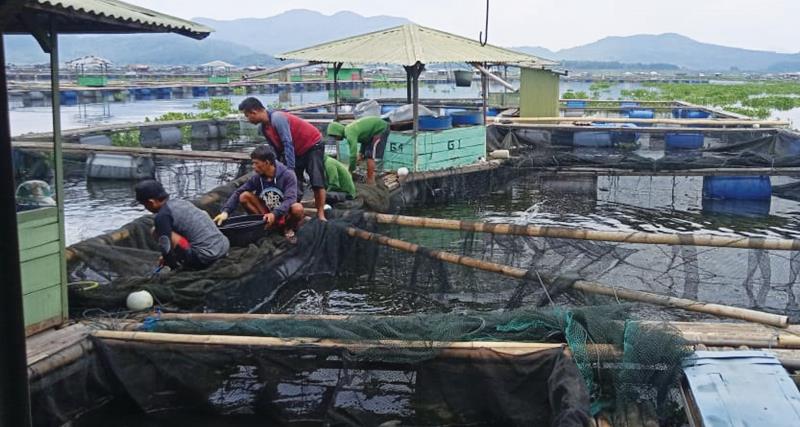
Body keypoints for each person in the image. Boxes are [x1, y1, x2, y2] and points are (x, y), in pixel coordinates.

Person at [238, 97, 327, 222]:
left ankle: (321, 214)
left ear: (254, 112)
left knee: (317, 181)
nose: (248, 119)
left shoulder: (277, 118)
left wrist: (289, 169)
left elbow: (287, 143)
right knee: (294, 183)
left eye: (247, 116)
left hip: (312, 145)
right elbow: (276, 150)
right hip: (296, 149)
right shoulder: (264, 128)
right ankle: (292, 215)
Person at [213, 145, 305, 242]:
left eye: (256, 163)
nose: (253, 167)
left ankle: (287, 229)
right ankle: (265, 225)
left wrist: (274, 214)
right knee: (244, 196)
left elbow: (290, 200)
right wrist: (225, 212)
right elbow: (238, 191)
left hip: (283, 214)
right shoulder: (257, 178)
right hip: (266, 213)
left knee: (297, 208)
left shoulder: (288, 175)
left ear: (267, 162)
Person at [135, 180, 229, 270]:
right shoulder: (181, 202)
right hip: (224, 246)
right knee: (203, 213)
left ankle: (186, 264)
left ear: (151, 202)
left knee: (156, 231)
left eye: (145, 205)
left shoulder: (162, 216)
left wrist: (170, 264)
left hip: (206, 257)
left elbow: (166, 248)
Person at [326, 116, 390, 185]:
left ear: (337, 132)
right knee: (362, 155)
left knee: (370, 156)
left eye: (335, 136)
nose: (336, 139)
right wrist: (361, 153)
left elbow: (353, 155)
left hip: (380, 129)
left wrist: (350, 170)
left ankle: (370, 180)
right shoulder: (349, 129)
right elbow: (364, 139)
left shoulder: (349, 133)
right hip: (370, 134)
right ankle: (368, 175)